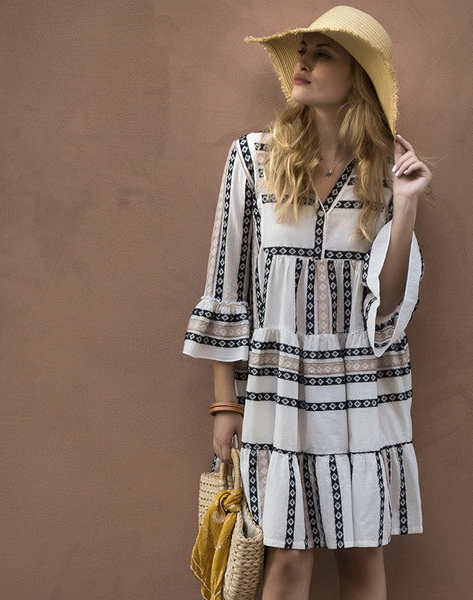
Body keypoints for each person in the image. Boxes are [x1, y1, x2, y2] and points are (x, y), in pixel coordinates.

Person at [183, 6, 432, 599]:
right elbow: (227, 284)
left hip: (360, 383)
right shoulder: (253, 158)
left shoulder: (383, 171)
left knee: (362, 555)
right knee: (288, 558)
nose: (303, 64)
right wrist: (225, 405)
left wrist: (406, 206)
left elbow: (388, 309)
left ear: (357, 78)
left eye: (323, 55)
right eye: (303, 52)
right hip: (278, 386)